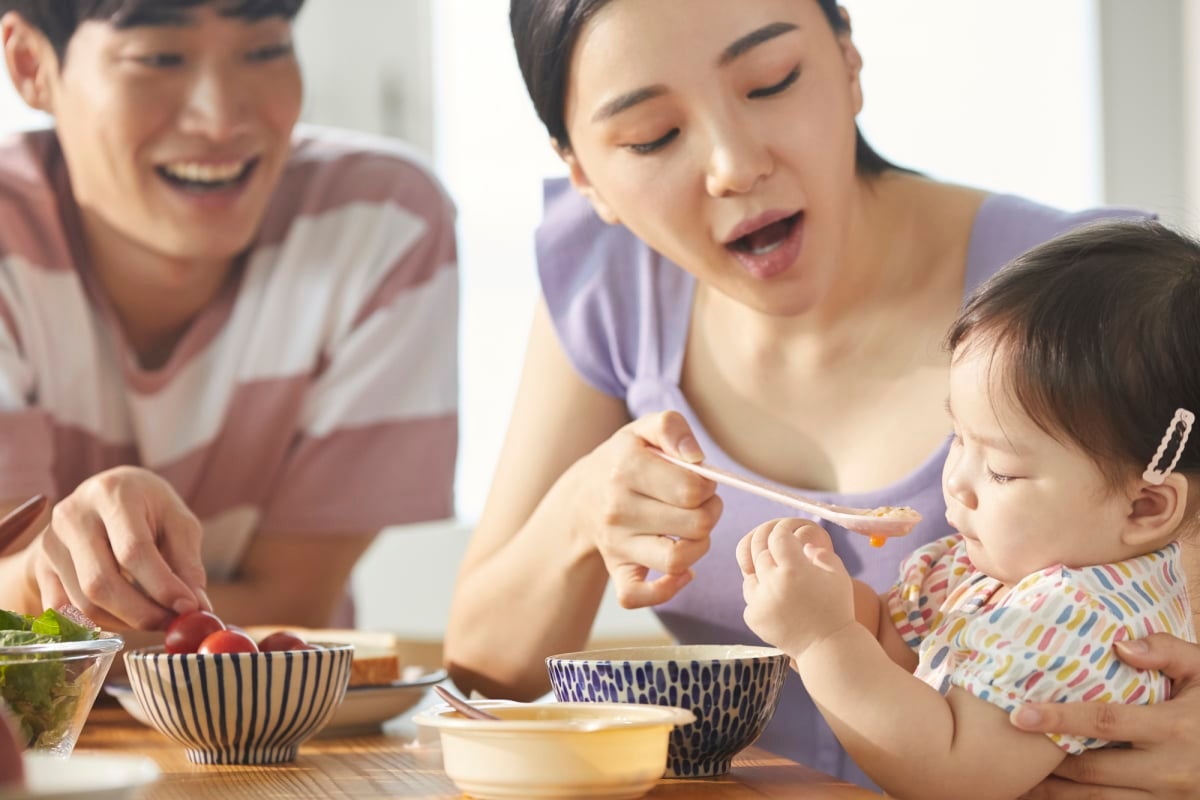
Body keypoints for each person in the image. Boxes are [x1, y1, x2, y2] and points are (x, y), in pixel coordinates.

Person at [444, 0, 1200, 794]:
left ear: (848, 63)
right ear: (585, 174)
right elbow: (487, 675)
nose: (734, 164)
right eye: (652, 136)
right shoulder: (611, 281)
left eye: (771, 81)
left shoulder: (1093, 311)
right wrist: (581, 512)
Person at [0, 0, 458, 634]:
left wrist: (53, 593)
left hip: (267, 727)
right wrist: (34, 576)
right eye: (159, 57)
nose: (219, 118)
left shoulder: (380, 224)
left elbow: (294, 604)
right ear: (30, 64)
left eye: (266, 49)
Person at [739, 219, 1199, 800]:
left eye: (1002, 469)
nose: (955, 482)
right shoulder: (986, 572)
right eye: (957, 437)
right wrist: (822, 596)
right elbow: (888, 645)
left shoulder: (1080, 619)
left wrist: (822, 640)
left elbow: (947, 772)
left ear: (1145, 507)